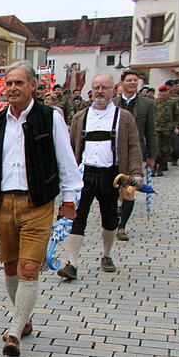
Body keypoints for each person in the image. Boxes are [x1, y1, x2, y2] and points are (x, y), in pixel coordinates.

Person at [0, 60, 82, 357]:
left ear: (33, 85)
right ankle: (24, 317)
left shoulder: (50, 117)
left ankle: (15, 332)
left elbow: (67, 162)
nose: (12, 88)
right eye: (8, 83)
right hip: (4, 203)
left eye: (19, 82)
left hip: (38, 203)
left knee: (29, 267)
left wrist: (69, 202)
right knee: (9, 266)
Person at [58, 74, 144, 280]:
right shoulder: (80, 117)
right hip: (84, 174)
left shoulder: (124, 117)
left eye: (104, 87)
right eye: (96, 87)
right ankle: (72, 263)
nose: (100, 91)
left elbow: (133, 146)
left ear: (113, 90)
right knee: (77, 218)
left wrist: (136, 174)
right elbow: (70, 149)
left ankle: (106, 254)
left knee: (110, 218)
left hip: (112, 175)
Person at [113, 69, 156, 242]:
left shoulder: (146, 104)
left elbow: (150, 130)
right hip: (114, 152)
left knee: (130, 189)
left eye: (135, 80)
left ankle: (122, 227)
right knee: (116, 189)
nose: (133, 83)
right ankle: (115, 214)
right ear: (122, 83)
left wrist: (152, 155)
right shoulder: (113, 103)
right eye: (129, 80)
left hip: (134, 152)